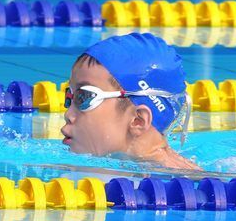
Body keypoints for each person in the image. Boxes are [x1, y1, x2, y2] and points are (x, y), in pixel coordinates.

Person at [60, 32, 201, 172]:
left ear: (137, 120)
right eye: (69, 97)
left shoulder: (180, 182)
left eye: (83, 97)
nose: (68, 114)